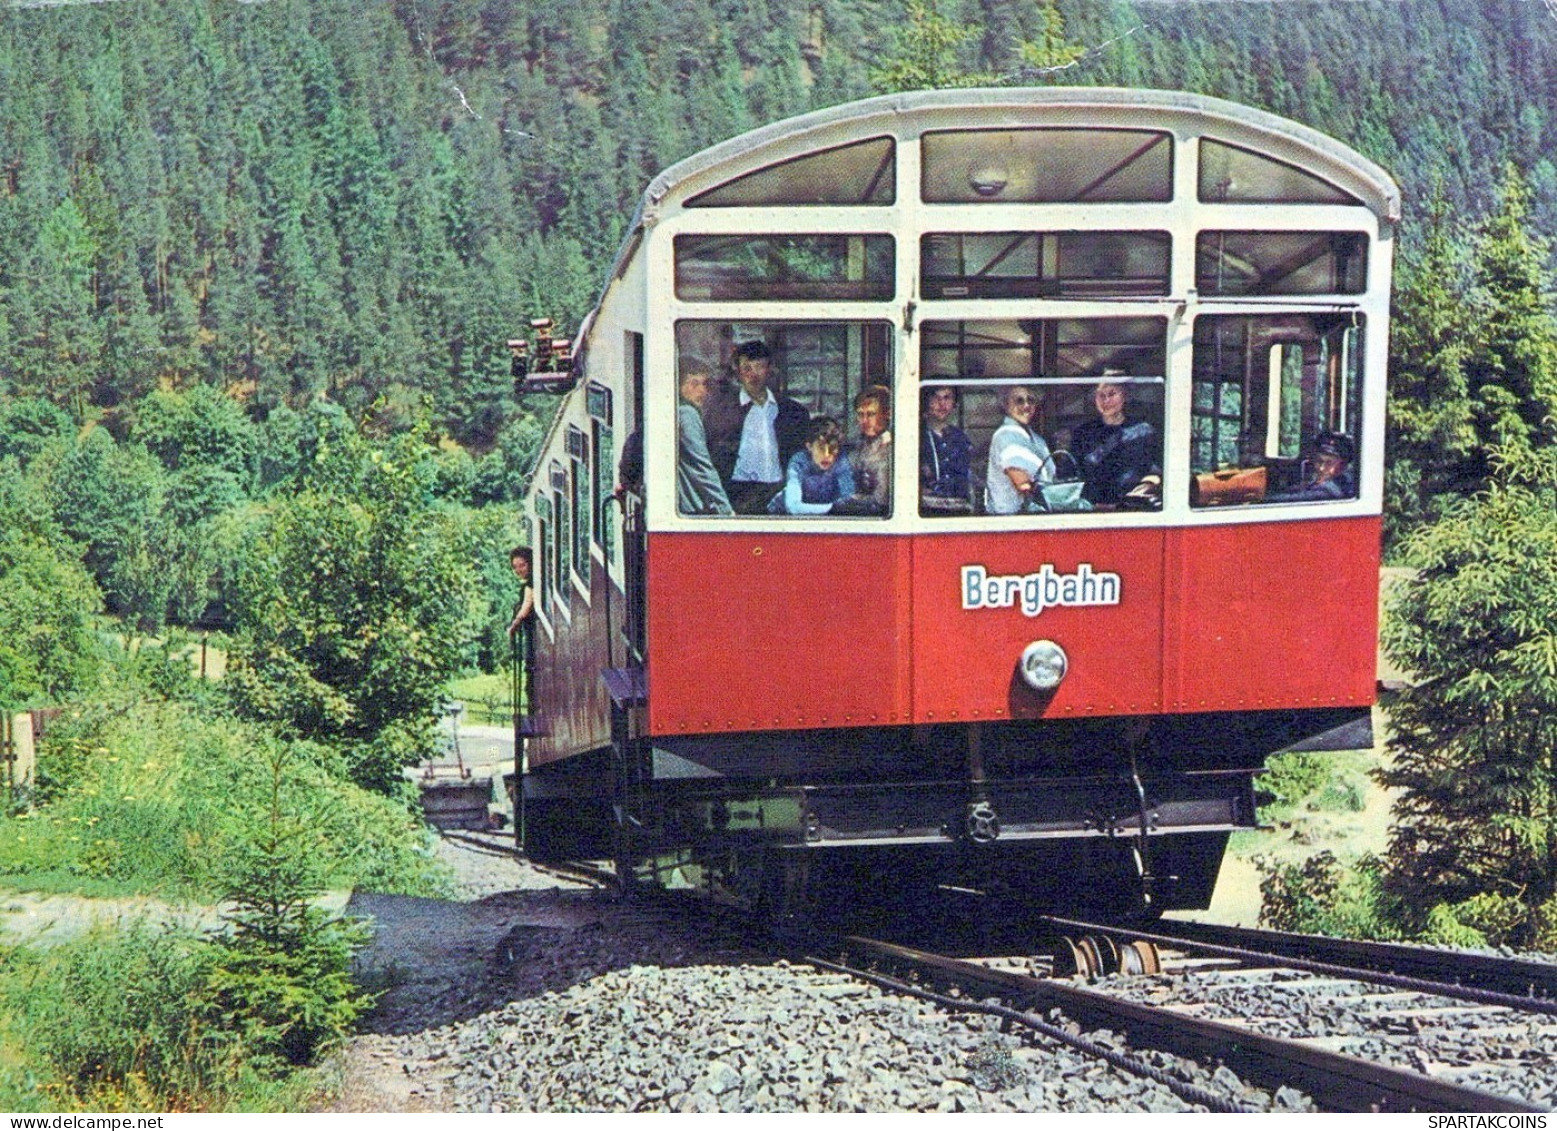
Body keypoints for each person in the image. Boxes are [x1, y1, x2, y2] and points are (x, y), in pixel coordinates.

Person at [704, 340, 810, 514]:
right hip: (736, 495)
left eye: (760, 367)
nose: (754, 375)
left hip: (779, 494)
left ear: (769, 370)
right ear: (737, 372)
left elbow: (802, 459)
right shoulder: (721, 411)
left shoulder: (794, 412)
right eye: (747, 368)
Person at [1070, 378, 1160, 507]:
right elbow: (1073, 475)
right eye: (1101, 395)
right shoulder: (1083, 433)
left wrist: (1141, 491)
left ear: (1124, 396)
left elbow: (1155, 473)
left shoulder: (1143, 431)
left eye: (1112, 394)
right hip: (1091, 509)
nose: (1106, 400)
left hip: (1131, 508)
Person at [675, 356, 734, 516]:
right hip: (691, 507)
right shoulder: (687, 414)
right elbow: (701, 466)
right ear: (678, 385)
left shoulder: (676, 411)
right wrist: (726, 510)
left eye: (705, 384)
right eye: (694, 384)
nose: (702, 391)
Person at [985, 385, 1052, 515]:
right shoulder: (1006, 435)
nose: (1026, 405)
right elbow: (1023, 484)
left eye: (1031, 400)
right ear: (1006, 405)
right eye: (1019, 401)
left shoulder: (1037, 440)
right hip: (1010, 520)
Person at [769, 416, 856, 515]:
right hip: (780, 516)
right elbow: (793, 507)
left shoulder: (841, 461)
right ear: (809, 447)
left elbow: (848, 502)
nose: (827, 455)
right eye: (821, 447)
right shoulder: (799, 462)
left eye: (832, 448)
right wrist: (833, 508)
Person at [920, 382, 972, 509]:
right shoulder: (918, 436)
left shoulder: (960, 438)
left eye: (947, 398)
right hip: (928, 509)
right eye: (936, 398)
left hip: (958, 507)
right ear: (927, 402)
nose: (942, 404)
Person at [1272, 431, 1358, 502]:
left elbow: (1298, 498)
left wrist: (1262, 498)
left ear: (1343, 465)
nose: (1321, 468)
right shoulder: (1318, 482)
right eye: (1319, 461)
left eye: (1329, 463)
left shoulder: (1332, 489)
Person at [850, 384, 892, 514]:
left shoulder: (894, 448)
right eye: (860, 414)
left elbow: (881, 498)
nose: (865, 421)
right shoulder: (855, 446)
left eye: (871, 414)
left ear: (887, 414)